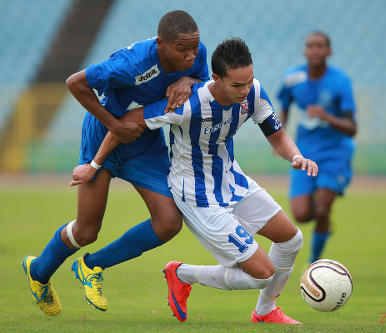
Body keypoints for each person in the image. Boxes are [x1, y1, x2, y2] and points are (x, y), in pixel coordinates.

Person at [71, 38, 318, 324]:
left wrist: (296, 156)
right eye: (237, 85)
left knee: (291, 241)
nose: (245, 90)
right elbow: (127, 123)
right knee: (263, 275)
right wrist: (94, 164)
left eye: (248, 81)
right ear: (216, 78)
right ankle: (182, 273)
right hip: (198, 198)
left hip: (232, 182)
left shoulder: (254, 93)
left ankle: (265, 312)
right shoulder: (187, 104)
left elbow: (277, 137)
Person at [22, 10, 210, 316]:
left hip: (146, 142)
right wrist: (114, 123)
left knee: (169, 223)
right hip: (104, 137)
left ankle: (91, 267)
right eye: (182, 51)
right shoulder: (131, 63)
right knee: (86, 231)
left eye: (193, 49)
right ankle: (38, 273)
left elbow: (203, 77)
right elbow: (75, 83)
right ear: (161, 44)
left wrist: (189, 79)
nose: (191, 56)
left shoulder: (196, 51)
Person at [277, 32, 357, 264]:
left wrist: (326, 117)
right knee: (301, 215)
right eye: (310, 46)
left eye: (320, 46)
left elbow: (352, 127)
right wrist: (278, 136)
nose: (315, 50)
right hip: (304, 151)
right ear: (304, 51)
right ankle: (325, 224)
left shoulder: (340, 81)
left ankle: (314, 263)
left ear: (329, 51)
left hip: (335, 151)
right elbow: (284, 104)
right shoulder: (292, 78)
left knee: (321, 209)